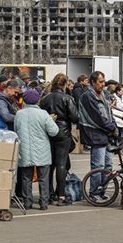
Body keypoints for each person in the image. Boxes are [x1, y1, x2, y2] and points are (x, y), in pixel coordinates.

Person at [15, 89, 59, 210]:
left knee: (26, 178)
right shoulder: (43, 114)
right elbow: (54, 131)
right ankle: (43, 202)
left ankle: (27, 202)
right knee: (43, 178)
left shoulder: (19, 114)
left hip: (25, 149)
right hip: (42, 150)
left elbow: (15, 129)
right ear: (38, 100)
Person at [39, 73, 79, 206]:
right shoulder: (67, 98)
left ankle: (49, 193)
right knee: (62, 164)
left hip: (48, 132)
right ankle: (61, 195)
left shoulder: (45, 99)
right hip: (63, 133)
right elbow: (74, 117)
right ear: (65, 84)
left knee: (50, 164)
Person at [78, 71, 117, 201]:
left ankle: (101, 191)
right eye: (100, 82)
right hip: (95, 134)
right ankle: (94, 193)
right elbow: (97, 117)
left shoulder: (103, 95)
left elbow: (108, 113)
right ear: (93, 82)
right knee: (98, 166)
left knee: (108, 166)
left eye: (103, 82)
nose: (103, 84)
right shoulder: (88, 96)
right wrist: (111, 127)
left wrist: (113, 125)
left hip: (105, 135)